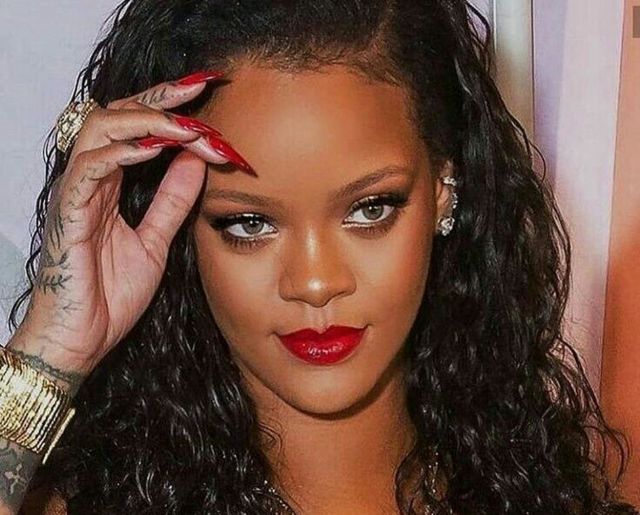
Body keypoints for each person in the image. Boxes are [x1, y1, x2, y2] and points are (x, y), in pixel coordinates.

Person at [0, 0, 637, 513]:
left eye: (370, 209)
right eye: (250, 223)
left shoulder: (547, 494)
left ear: (445, 190)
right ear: (179, 228)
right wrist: (53, 347)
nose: (314, 282)